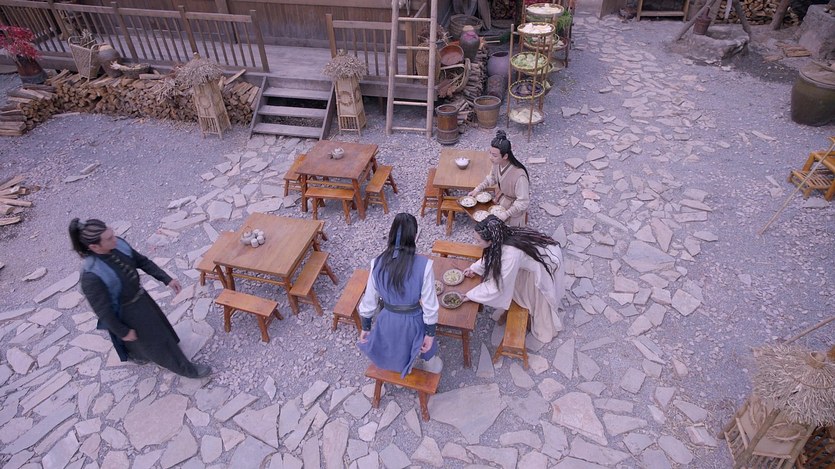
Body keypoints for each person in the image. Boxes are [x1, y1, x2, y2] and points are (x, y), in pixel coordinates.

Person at [69, 218, 211, 379]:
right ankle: (187, 370)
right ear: (95, 247)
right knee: (155, 341)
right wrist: (122, 331)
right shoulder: (91, 276)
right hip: (127, 312)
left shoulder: (118, 245)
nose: (114, 238)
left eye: (112, 234)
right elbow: (103, 311)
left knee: (158, 328)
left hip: (141, 299)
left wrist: (166, 279)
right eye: (109, 238)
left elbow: (142, 262)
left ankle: (139, 354)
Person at [357, 213, 442, 377]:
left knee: (392, 343)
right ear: (414, 236)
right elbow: (430, 306)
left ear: (391, 234)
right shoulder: (425, 266)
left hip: (387, 319)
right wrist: (430, 334)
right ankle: (430, 365)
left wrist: (366, 327)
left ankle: (396, 365)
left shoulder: (377, 263)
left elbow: (369, 301)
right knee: (427, 347)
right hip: (414, 321)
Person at [463, 215, 565, 344]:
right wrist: (474, 268)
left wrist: (471, 295)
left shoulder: (511, 255)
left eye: (478, 241)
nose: (475, 243)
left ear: (491, 241)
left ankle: (540, 324)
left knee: (536, 299)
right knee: (516, 284)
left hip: (545, 263)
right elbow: (493, 255)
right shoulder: (499, 233)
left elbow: (499, 286)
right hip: (532, 257)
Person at [469, 130, 531, 227]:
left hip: (514, 209)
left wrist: (506, 214)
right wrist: (477, 189)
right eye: (490, 153)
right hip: (502, 203)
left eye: (494, 155)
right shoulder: (497, 164)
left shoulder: (520, 176)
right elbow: (492, 178)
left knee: (510, 232)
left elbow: (523, 201)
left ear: (505, 156)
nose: (490, 157)